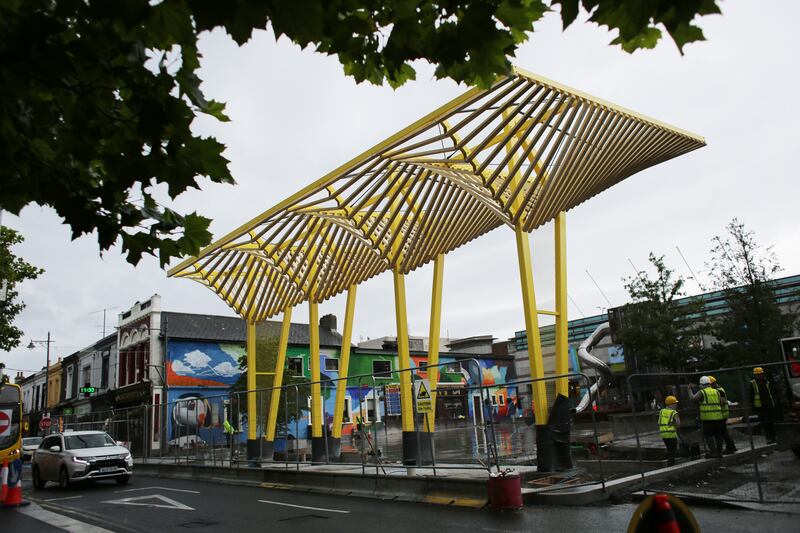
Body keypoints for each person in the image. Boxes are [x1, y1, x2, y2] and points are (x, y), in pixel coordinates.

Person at [692, 375, 725, 458]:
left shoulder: (702, 392)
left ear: (702, 384)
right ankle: (719, 452)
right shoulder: (716, 391)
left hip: (708, 419)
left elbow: (693, 398)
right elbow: (721, 403)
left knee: (709, 436)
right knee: (718, 436)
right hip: (718, 418)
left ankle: (713, 453)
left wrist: (689, 390)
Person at [709, 376, 737, 454]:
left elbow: (723, 401)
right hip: (722, 414)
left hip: (723, 414)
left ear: (713, 383)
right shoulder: (718, 390)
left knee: (723, 432)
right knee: (723, 431)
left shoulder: (719, 391)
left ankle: (730, 447)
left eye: (710, 384)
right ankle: (731, 446)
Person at [749, 367, 776, 444]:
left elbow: (771, 393)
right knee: (764, 423)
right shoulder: (753, 383)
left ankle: (773, 437)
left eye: (761, 374)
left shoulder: (766, 382)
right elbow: (751, 396)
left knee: (771, 422)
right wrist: (753, 406)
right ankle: (768, 438)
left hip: (769, 405)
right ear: (755, 375)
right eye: (758, 374)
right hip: (760, 407)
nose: (760, 375)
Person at [658, 396, 681, 466]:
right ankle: (671, 464)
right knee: (672, 451)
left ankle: (670, 463)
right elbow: (678, 424)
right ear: (672, 404)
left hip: (664, 435)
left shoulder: (661, 411)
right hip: (671, 434)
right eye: (675, 403)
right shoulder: (674, 412)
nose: (676, 405)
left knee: (669, 449)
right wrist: (674, 424)